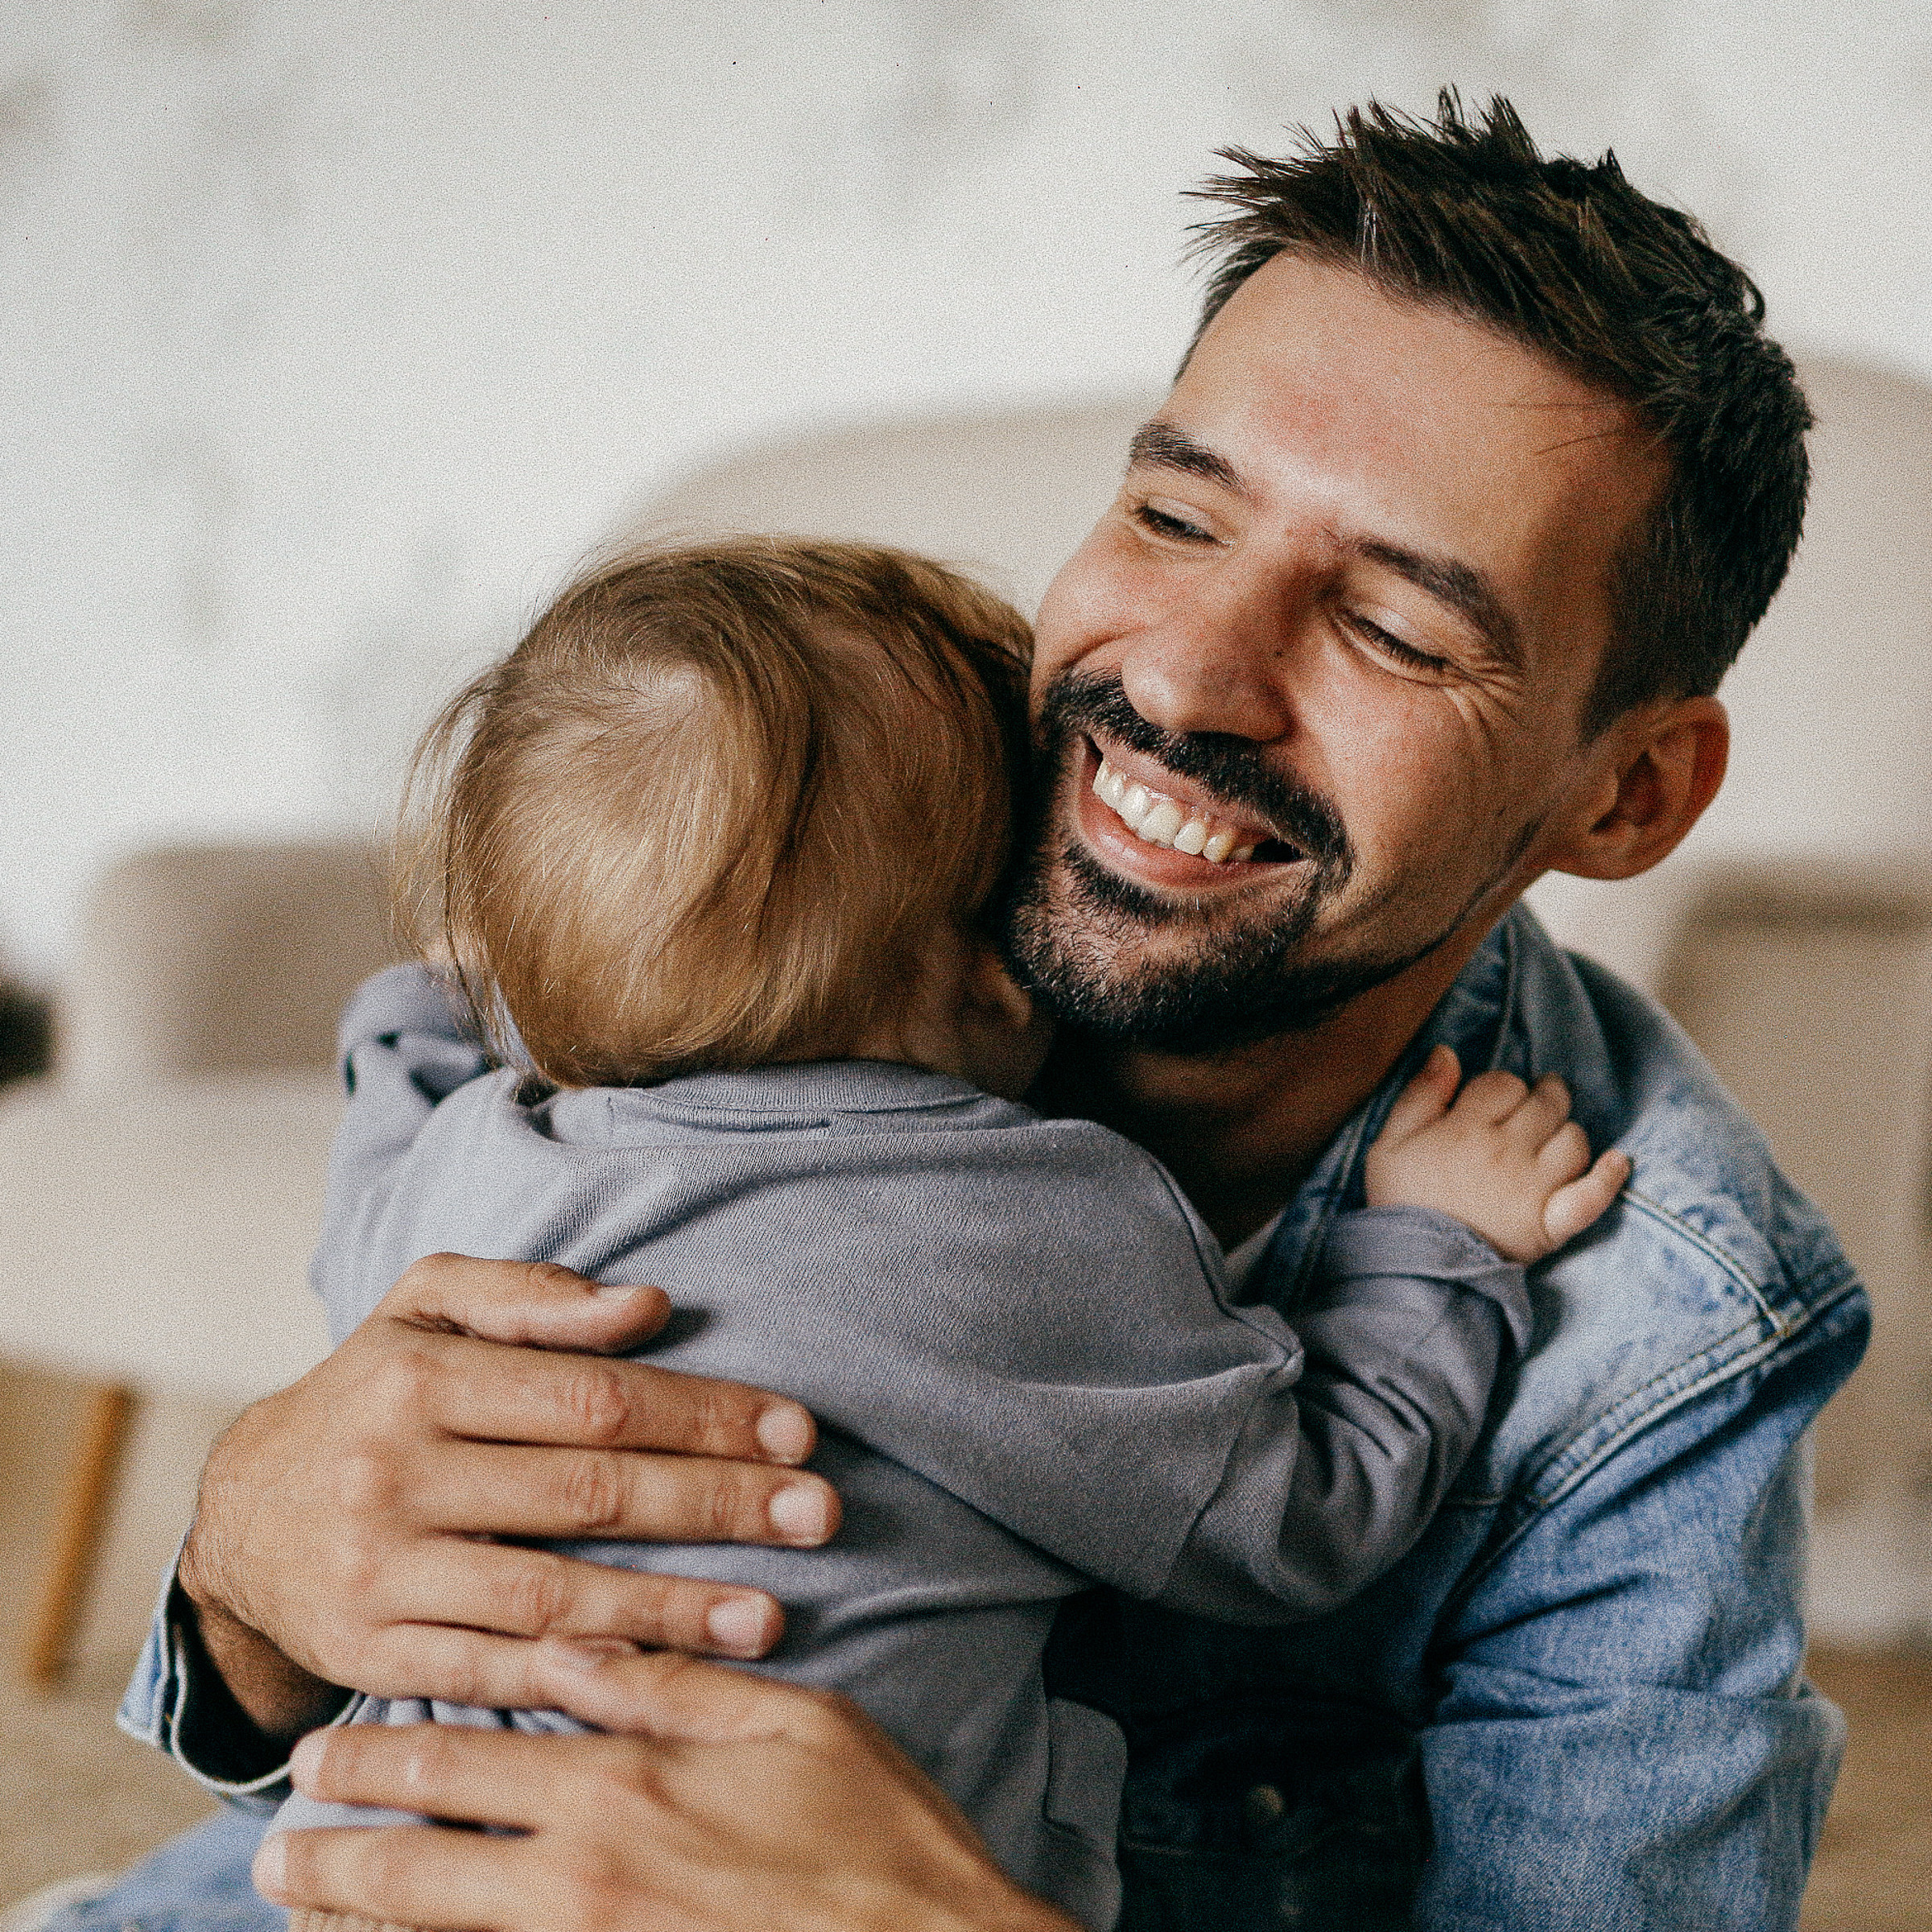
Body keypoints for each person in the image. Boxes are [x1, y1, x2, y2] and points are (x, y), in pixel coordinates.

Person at [89, 94, 1865, 1932]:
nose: (1185, 674)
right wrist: (240, 1581)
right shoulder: (807, 886)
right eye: (1176, 515)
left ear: (1628, 796)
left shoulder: (1658, 1334)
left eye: (1398, 631)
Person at [260, 534, 1624, 1932]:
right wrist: (1434, 1241)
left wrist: (426, 1012)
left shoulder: (471, 1168)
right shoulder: (1030, 1221)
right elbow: (1294, 1520)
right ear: (1003, 969)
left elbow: (374, 1162)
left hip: (395, 1877)